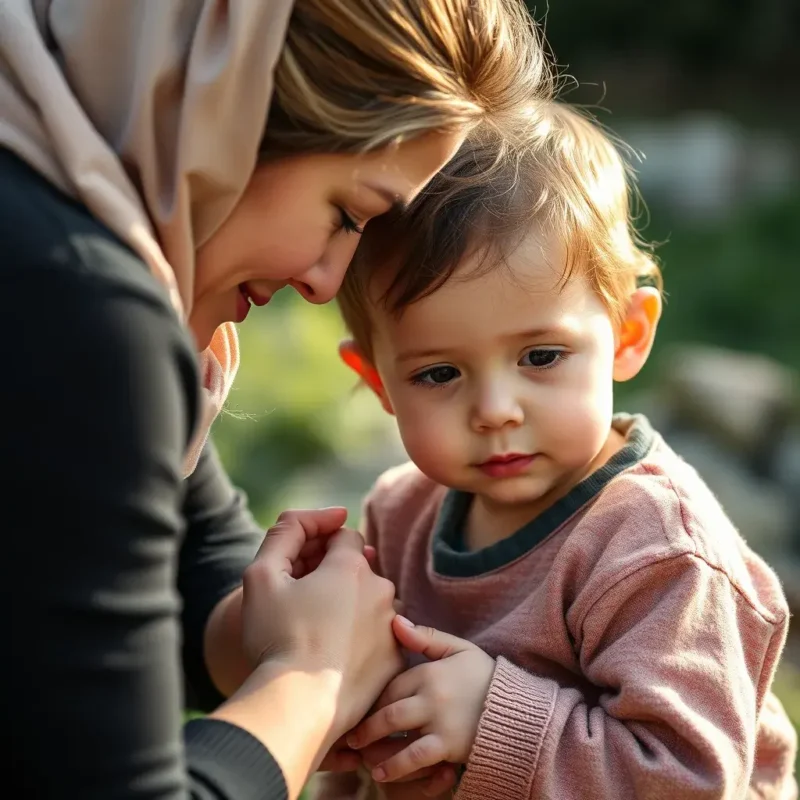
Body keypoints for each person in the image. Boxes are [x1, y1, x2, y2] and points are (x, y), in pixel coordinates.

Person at [0, 1, 552, 798]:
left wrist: (278, 628)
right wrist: (313, 680)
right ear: (225, 109)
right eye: (346, 214)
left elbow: (184, 548)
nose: (324, 281)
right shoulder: (72, 305)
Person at [323, 102, 798, 799]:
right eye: (438, 373)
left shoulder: (656, 550)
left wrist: (492, 719)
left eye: (541, 356)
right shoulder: (400, 515)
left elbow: (691, 780)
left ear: (629, 335)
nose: (494, 411)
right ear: (378, 382)